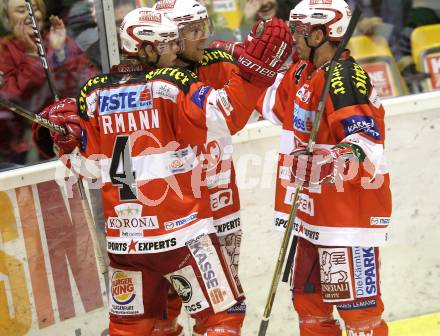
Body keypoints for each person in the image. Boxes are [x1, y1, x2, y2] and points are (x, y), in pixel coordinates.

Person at [38, 7, 292, 335]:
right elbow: (222, 117)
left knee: (135, 327)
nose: (175, 49)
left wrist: (64, 141)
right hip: (182, 236)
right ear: (145, 48)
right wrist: (254, 75)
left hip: (127, 245)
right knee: (223, 318)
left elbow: (86, 168)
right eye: (167, 43)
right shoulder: (170, 84)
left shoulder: (93, 94)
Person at [255, 0, 392, 335]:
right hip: (310, 216)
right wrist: (246, 66)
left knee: (360, 315)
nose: (293, 39)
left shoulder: (345, 77)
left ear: (320, 34)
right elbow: (271, 106)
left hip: (346, 217)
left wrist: (323, 164)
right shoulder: (301, 71)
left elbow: (363, 141)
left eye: (300, 32)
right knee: (310, 309)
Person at [153, 0, 260, 334]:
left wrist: (264, 71)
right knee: (163, 308)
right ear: (168, 37)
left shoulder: (219, 60)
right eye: (191, 30)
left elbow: (271, 102)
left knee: (224, 305)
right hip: (170, 215)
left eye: (204, 27)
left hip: (219, 206)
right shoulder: (144, 80)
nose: (202, 37)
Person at [0, 0, 98, 163]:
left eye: (35, 9)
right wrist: (32, 56)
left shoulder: (56, 38)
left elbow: (86, 82)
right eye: (20, 11)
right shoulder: (4, 51)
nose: (30, 15)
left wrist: (61, 53)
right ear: (7, 20)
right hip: (25, 149)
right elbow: (11, 99)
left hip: (71, 135)